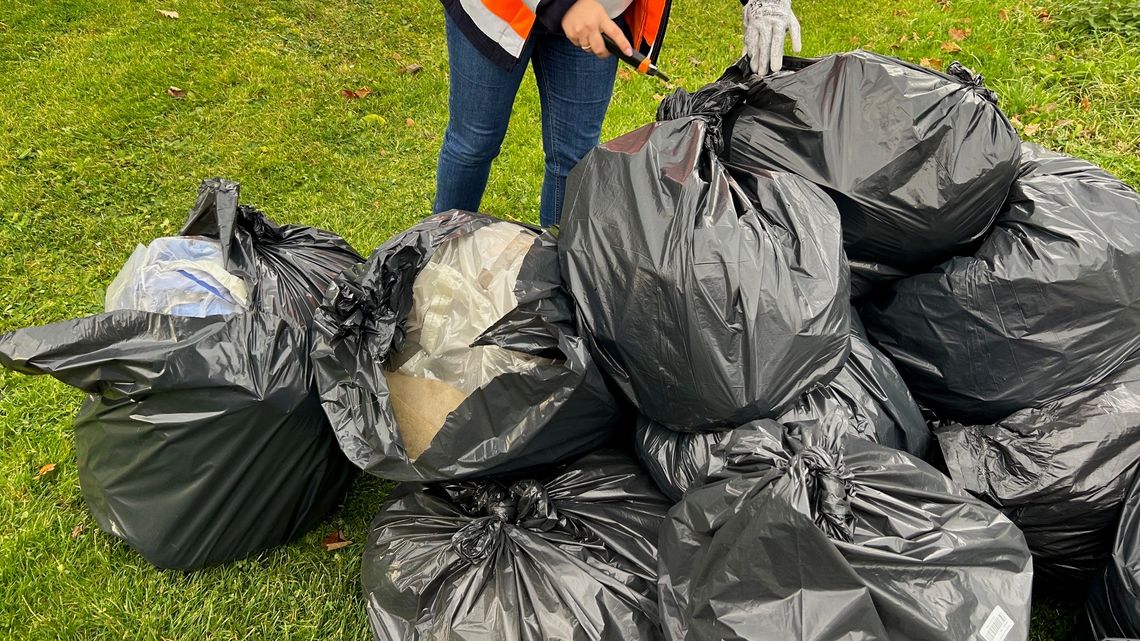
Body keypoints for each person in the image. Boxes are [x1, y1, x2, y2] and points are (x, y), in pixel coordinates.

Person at [434, 0, 802, 227]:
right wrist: (564, 6)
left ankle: (551, 280)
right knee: (474, 142)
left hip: (599, 11)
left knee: (574, 158)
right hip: (498, 8)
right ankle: (432, 256)